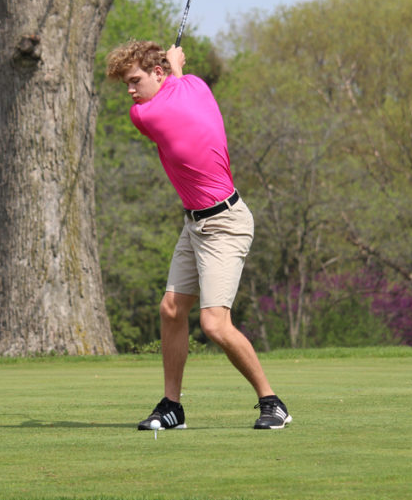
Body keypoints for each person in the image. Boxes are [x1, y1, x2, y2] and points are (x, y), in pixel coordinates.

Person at [106, 40, 292, 430]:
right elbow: (180, 86)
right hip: (195, 224)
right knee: (171, 309)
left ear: (157, 74)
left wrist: (170, 66)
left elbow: (159, 104)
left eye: (135, 79)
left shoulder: (144, 115)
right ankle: (172, 407)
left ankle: (273, 403)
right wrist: (174, 67)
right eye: (126, 82)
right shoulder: (196, 85)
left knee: (214, 324)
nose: (130, 90)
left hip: (225, 224)